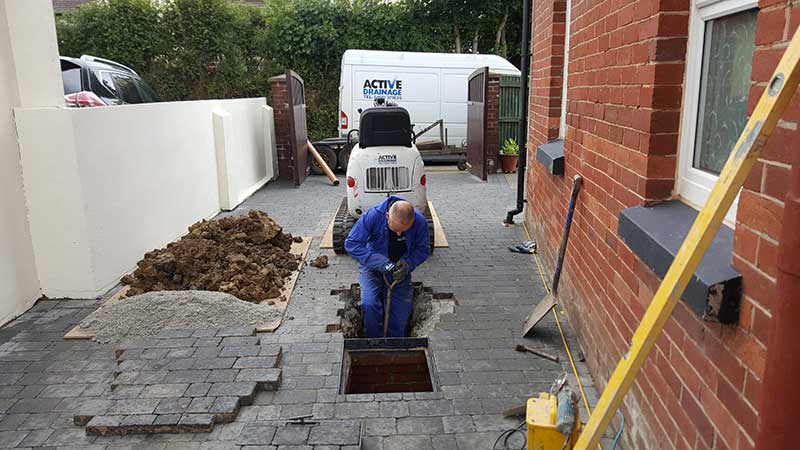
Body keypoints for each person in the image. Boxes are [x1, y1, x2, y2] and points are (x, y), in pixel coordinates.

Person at [345, 196, 430, 337]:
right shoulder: (373, 216)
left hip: (399, 269)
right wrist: (382, 263)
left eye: (403, 231)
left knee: (400, 309)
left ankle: (395, 342)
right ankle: (374, 341)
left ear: (413, 221)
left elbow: (423, 249)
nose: (398, 234)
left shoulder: (419, 221)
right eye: (395, 229)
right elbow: (352, 244)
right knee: (369, 304)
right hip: (372, 267)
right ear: (387, 216)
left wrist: (408, 264)